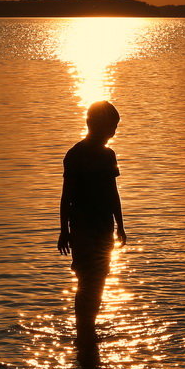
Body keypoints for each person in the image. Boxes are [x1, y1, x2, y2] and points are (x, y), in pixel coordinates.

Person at [58, 101, 126, 347]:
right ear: (98, 125)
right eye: (112, 126)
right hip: (83, 226)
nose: (114, 132)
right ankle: (83, 331)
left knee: (99, 278)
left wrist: (120, 225)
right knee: (86, 279)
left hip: (103, 226)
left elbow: (113, 192)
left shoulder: (109, 155)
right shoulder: (76, 154)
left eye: (115, 127)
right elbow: (67, 195)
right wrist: (63, 230)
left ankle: (88, 330)